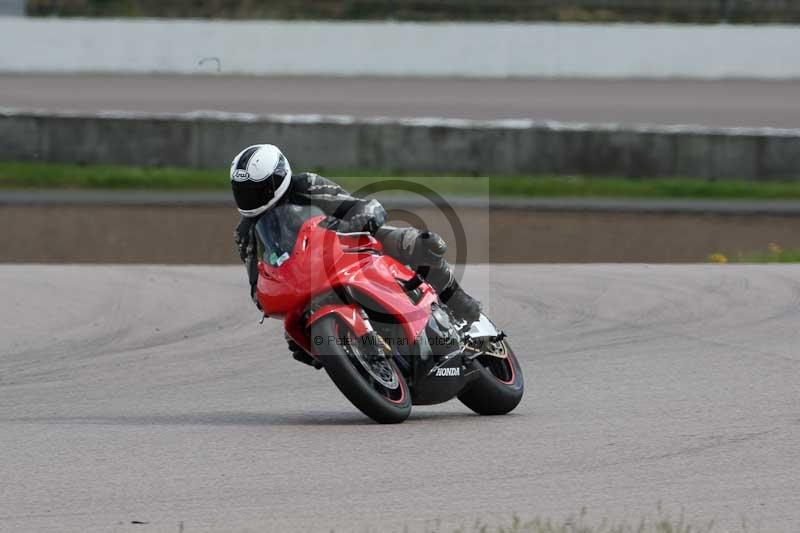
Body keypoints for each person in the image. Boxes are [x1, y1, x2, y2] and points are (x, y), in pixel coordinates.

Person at [230, 144, 481, 364]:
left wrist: (364, 217)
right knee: (297, 342)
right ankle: (353, 359)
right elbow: (257, 286)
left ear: (279, 177)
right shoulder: (246, 232)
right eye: (242, 191)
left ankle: (460, 304)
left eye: (256, 190)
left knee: (423, 244)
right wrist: (268, 295)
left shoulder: (305, 185)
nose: (249, 198)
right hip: (305, 279)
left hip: (347, 242)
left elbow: (354, 205)